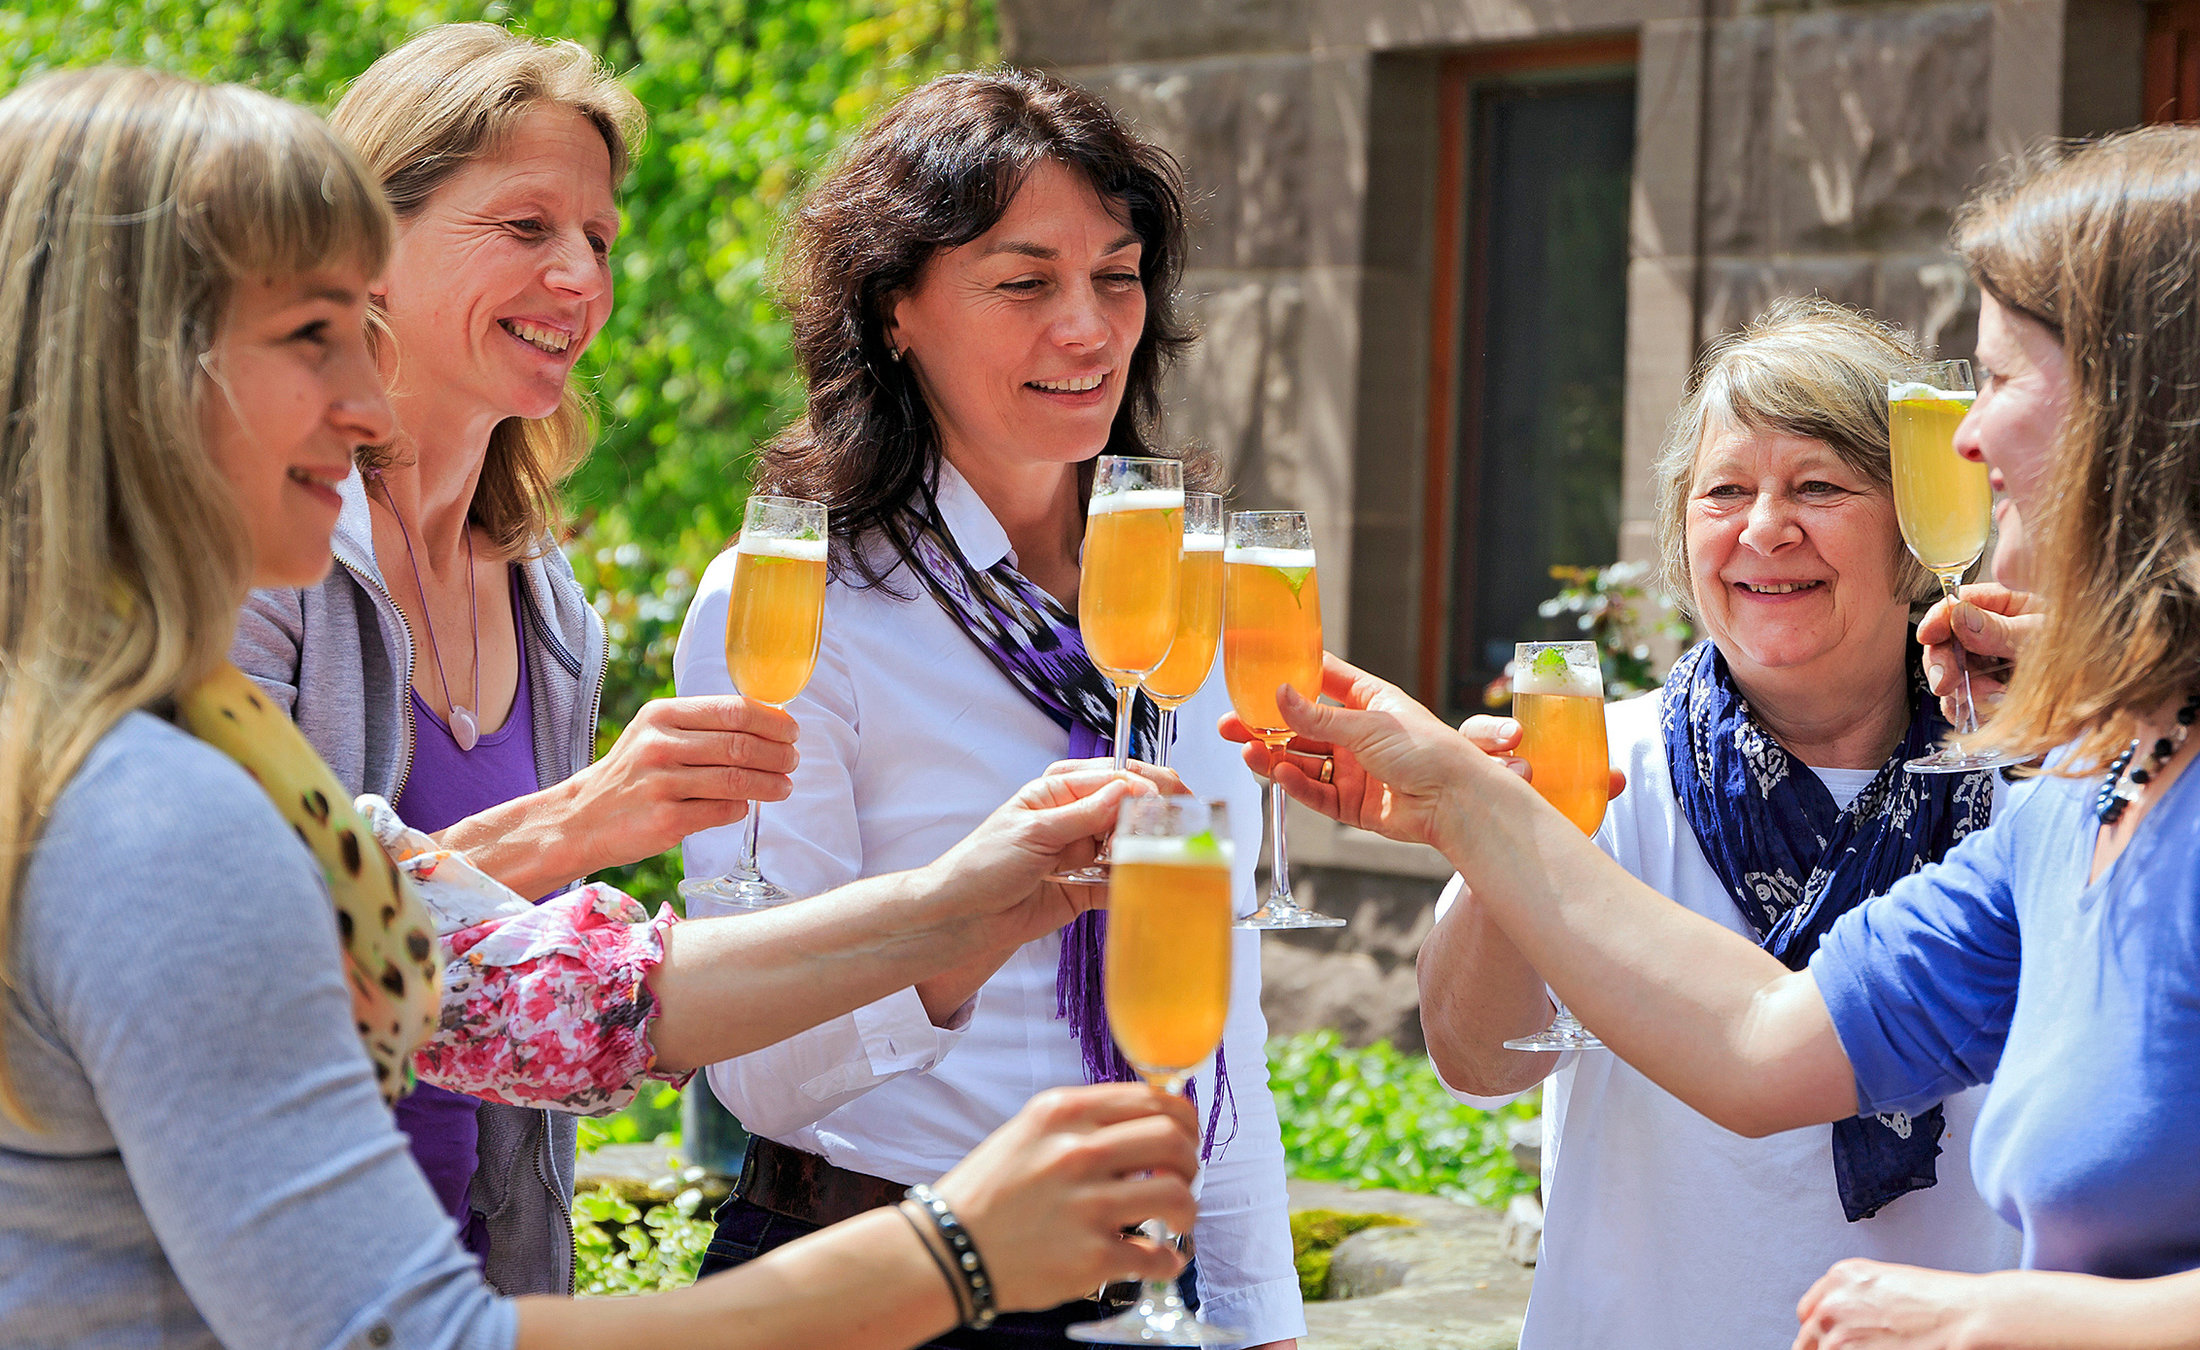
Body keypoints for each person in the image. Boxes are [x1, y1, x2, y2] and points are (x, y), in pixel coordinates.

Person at [0, 64, 1203, 1350]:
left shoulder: (208, 764)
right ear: (125, 375)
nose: (364, 402)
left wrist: (972, 900)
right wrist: (950, 1255)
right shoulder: (152, 813)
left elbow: (561, 995)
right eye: (312, 334)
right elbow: (408, 1335)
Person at [1228, 123, 2200, 1349]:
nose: (1964, 442)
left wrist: (1991, 1325)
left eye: (1996, 382)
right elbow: (1759, 1042)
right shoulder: (2083, 794)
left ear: (2151, 411)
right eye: (1726, 492)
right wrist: (1472, 805)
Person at [234, 23, 870, 1291]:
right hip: (271, 1274)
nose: (580, 276)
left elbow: (507, 987)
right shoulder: (260, 557)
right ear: (365, 243)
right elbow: (244, 955)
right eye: (526, 228)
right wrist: (584, 820)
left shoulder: (550, 605)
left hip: (484, 1282)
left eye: (599, 240)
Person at [675, 68, 1304, 1349]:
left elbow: (1217, 1009)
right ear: (894, 311)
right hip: (867, 1281)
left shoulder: (1196, 602)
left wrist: (1256, 1315)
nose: (1087, 328)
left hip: (1144, 1300)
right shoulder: (805, 604)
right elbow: (751, 1068)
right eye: (1024, 284)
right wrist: (965, 928)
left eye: (1117, 278)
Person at [1417, 298, 2020, 1349]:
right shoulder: (1594, 766)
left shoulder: (2021, 776)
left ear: (1921, 525)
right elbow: (1479, 1060)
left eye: (1821, 487)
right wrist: (1502, 835)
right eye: (1724, 491)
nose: (1762, 528)